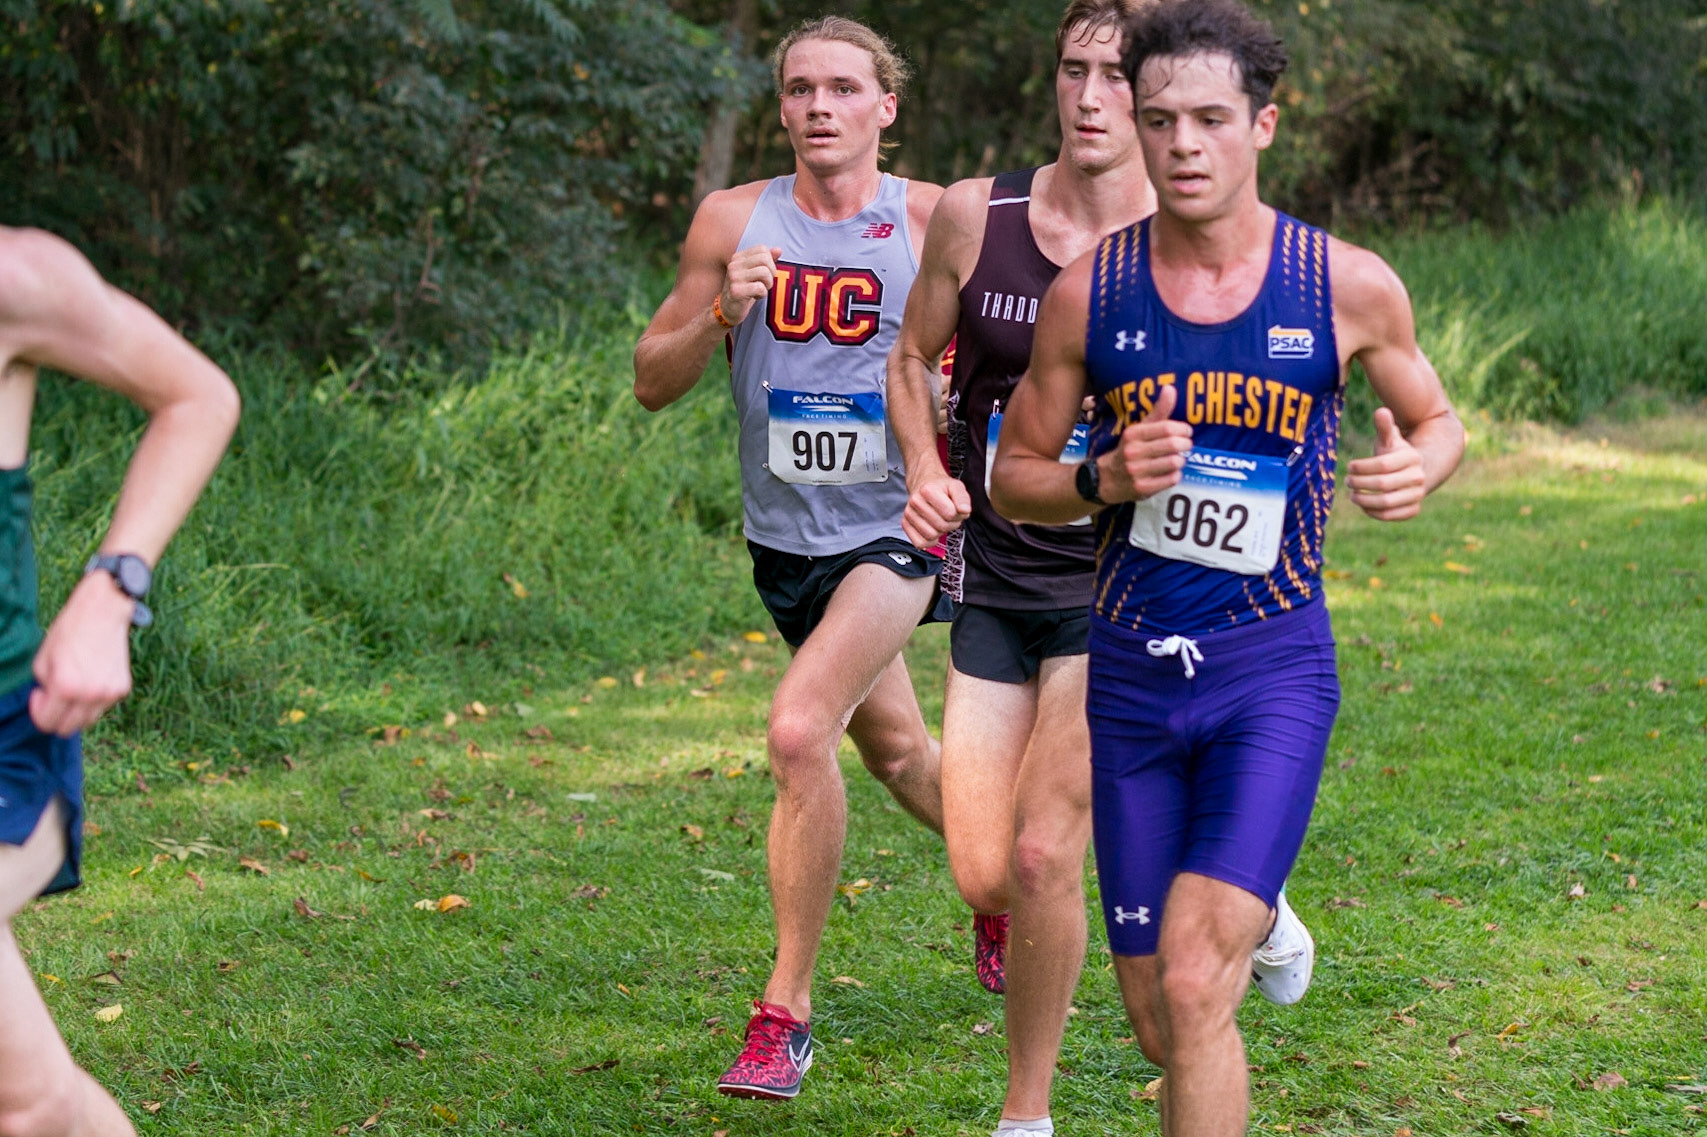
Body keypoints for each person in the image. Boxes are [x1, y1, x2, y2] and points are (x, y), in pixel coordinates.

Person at [987, 1, 1465, 1132]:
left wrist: (1419, 467)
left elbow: (1435, 418)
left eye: (1210, 119)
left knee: (1200, 981)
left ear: (1263, 125)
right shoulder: (1089, 293)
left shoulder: (1343, 284)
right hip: (1130, 682)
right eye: (1161, 121)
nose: (1183, 144)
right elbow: (1014, 476)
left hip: (1270, 671)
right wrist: (1102, 477)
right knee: (1161, 1014)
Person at [632, 16, 948, 1102]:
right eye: (802, 88)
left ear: (885, 106)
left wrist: (952, 399)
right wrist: (722, 312)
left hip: (897, 526)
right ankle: (1007, 884)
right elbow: (651, 378)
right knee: (899, 753)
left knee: (798, 729)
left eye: (844, 88)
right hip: (784, 543)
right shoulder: (733, 220)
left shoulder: (933, 220)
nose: (821, 106)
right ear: (781, 107)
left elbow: (1020, 349)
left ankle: (785, 1015)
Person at [0, 227, 240, 1137]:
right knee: (30, 1103)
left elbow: (198, 396)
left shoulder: (16, 277)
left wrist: (109, 596)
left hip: (7, 744)